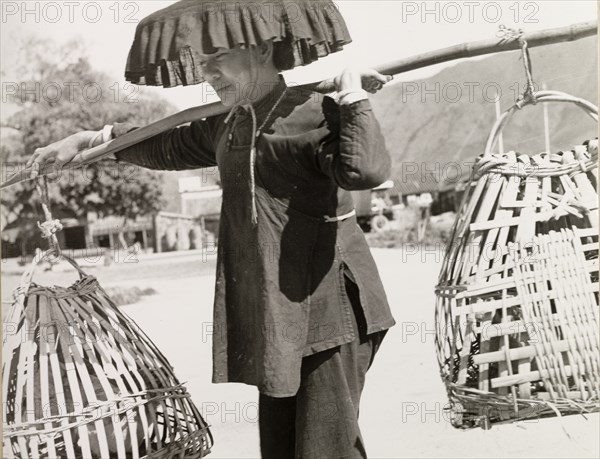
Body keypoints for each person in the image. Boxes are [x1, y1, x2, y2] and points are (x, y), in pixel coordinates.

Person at [26, 1, 396, 457]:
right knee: (282, 448)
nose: (208, 73)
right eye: (202, 63)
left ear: (260, 47)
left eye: (217, 57)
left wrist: (353, 95)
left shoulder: (316, 112)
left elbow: (365, 172)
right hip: (278, 316)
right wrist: (92, 140)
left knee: (326, 448)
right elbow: (164, 145)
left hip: (329, 309)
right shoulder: (230, 124)